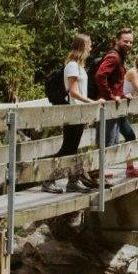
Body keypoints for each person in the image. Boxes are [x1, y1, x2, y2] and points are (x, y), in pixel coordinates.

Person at [42, 32, 99, 193]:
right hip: (73, 112)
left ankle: (72, 181)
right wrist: (91, 102)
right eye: (89, 44)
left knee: (72, 148)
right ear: (82, 46)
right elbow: (73, 92)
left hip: (79, 113)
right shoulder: (72, 66)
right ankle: (48, 179)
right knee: (67, 148)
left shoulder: (80, 66)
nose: (91, 47)